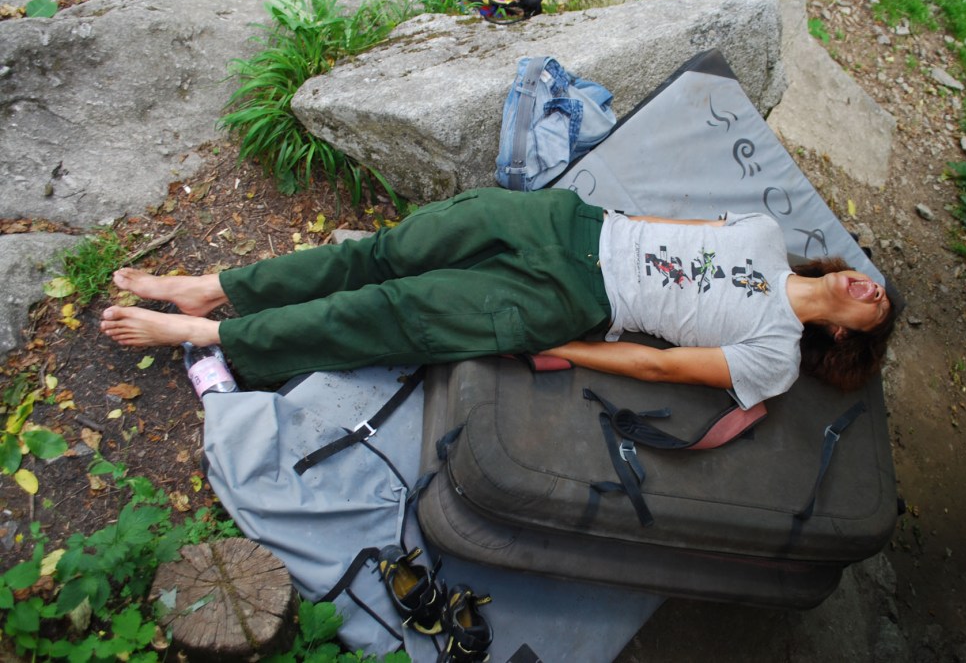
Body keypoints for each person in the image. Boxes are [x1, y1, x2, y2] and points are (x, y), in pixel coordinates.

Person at [101, 187, 898, 407]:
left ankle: (211, 341)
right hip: (569, 222)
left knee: (393, 313)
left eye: (875, 303)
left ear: (846, 336)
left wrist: (561, 346)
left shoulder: (774, 359)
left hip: (573, 296)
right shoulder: (765, 233)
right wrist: (595, 219)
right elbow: (674, 225)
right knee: (390, 250)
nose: (869, 284)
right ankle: (213, 289)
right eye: (876, 280)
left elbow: (659, 367)